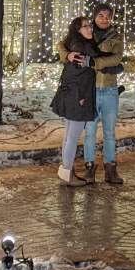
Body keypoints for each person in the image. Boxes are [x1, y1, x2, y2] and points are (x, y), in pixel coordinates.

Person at [62, 2, 124, 184]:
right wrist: (67, 55)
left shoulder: (116, 37)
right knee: (89, 132)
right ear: (94, 17)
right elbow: (64, 44)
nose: (104, 19)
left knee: (109, 132)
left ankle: (110, 168)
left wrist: (94, 63)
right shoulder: (86, 35)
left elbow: (117, 57)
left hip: (110, 90)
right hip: (90, 91)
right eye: (100, 16)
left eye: (107, 16)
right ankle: (90, 167)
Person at [51, 16, 98, 187]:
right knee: (72, 136)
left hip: (71, 95)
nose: (89, 29)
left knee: (68, 135)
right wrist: (81, 97)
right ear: (77, 30)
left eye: (89, 26)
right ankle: (67, 171)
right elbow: (78, 76)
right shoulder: (81, 49)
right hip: (78, 97)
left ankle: (66, 171)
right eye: (84, 27)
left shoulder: (74, 44)